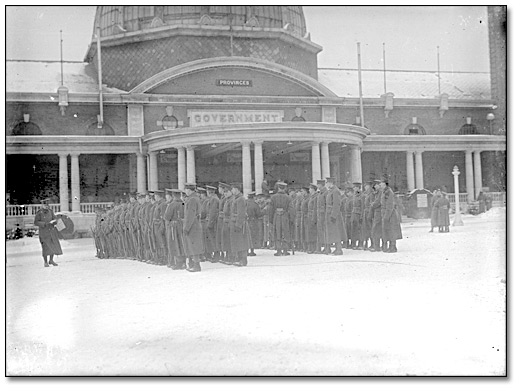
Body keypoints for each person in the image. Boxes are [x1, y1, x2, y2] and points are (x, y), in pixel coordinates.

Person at [183, 183, 205, 272]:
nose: (185, 191)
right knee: (193, 245)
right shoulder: (194, 198)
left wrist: (186, 227)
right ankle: (193, 264)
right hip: (195, 224)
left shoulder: (192, 199)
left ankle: (196, 265)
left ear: (189, 190)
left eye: (186, 189)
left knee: (193, 245)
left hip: (192, 225)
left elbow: (190, 215)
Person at [34, 198, 62, 267]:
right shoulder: (39, 213)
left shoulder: (50, 211)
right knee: (45, 247)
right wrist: (44, 224)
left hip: (51, 232)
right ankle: (45, 262)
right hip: (43, 233)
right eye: (45, 205)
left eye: (47, 205)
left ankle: (51, 260)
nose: (46, 206)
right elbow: (36, 222)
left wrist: (55, 221)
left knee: (52, 246)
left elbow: (55, 218)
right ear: (42, 205)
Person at [163, 189, 186, 269]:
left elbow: (166, 217)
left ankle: (178, 263)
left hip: (174, 227)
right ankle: (184, 262)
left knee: (175, 244)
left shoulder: (172, 204)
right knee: (182, 243)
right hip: (182, 225)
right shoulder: (183, 203)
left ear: (173, 196)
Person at [379, 177, 403, 253]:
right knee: (387, 231)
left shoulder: (389, 192)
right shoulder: (384, 192)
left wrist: (386, 216)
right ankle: (389, 246)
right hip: (386, 214)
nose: (380, 185)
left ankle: (393, 247)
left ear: (385, 184)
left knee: (391, 231)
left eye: (381, 183)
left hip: (390, 215)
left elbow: (390, 205)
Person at [230, 183, 251, 266]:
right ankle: (239, 259)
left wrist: (238, 225)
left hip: (239, 224)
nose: (231, 191)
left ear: (236, 189)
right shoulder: (237, 198)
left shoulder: (240, 199)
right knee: (238, 242)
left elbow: (241, 213)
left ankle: (243, 259)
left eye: (232, 189)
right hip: (236, 223)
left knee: (242, 242)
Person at [325, 177, 345, 255]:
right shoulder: (331, 191)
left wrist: (333, 215)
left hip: (334, 215)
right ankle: (337, 248)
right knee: (333, 232)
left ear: (331, 183)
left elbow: (336, 204)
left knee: (336, 232)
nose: (327, 184)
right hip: (330, 213)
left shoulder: (335, 191)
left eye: (328, 183)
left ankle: (339, 249)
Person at [270, 181, 291, 256]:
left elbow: (271, 209)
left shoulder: (273, 197)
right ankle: (285, 250)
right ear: (284, 188)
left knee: (277, 232)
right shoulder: (288, 197)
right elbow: (290, 209)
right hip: (285, 216)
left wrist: (271, 219)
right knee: (285, 232)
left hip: (276, 216)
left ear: (278, 188)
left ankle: (278, 250)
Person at [246, 191, 263, 256]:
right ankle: (252, 251)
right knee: (253, 236)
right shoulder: (255, 204)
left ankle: (246, 250)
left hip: (246, 221)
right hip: (253, 221)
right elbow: (258, 214)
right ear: (253, 197)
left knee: (246, 236)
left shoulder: (245, 202)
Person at [369, 180, 383, 252]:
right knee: (377, 230)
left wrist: (372, 204)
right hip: (376, 213)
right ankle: (377, 246)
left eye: (377, 185)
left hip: (379, 213)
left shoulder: (380, 192)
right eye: (374, 185)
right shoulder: (375, 193)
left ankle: (377, 247)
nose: (375, 186)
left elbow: (377, 202)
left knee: (376, 229)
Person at [351, 182, 363, 250]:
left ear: (358, 188)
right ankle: (354, 244)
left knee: (359, 230)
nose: (354, 188)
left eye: (355, 187)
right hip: (354, 213)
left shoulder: (361, 195)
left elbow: (362, 206)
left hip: (359, 214)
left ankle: (360, 244)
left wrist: (361, 216)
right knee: (354, 229)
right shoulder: (354, 195)